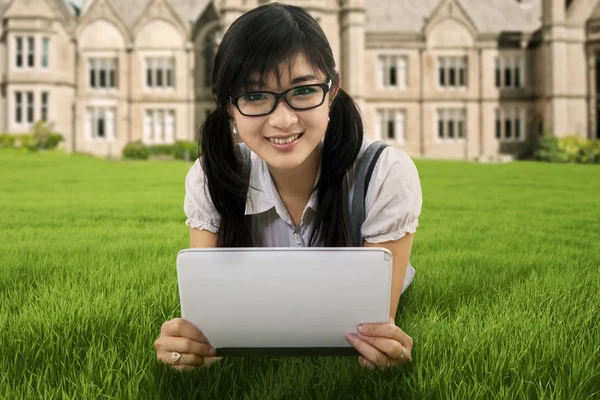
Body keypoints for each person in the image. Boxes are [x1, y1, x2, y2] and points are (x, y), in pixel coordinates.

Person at [154, 2, 422, 371]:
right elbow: (209, 328)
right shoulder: (211, 176)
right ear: (228, 106)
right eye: (254, 96)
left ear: (332, 91)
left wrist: (383, 351)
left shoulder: (384, 172)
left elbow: (372, 334)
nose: (282, 120)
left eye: (303, 91)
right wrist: (189, 345)